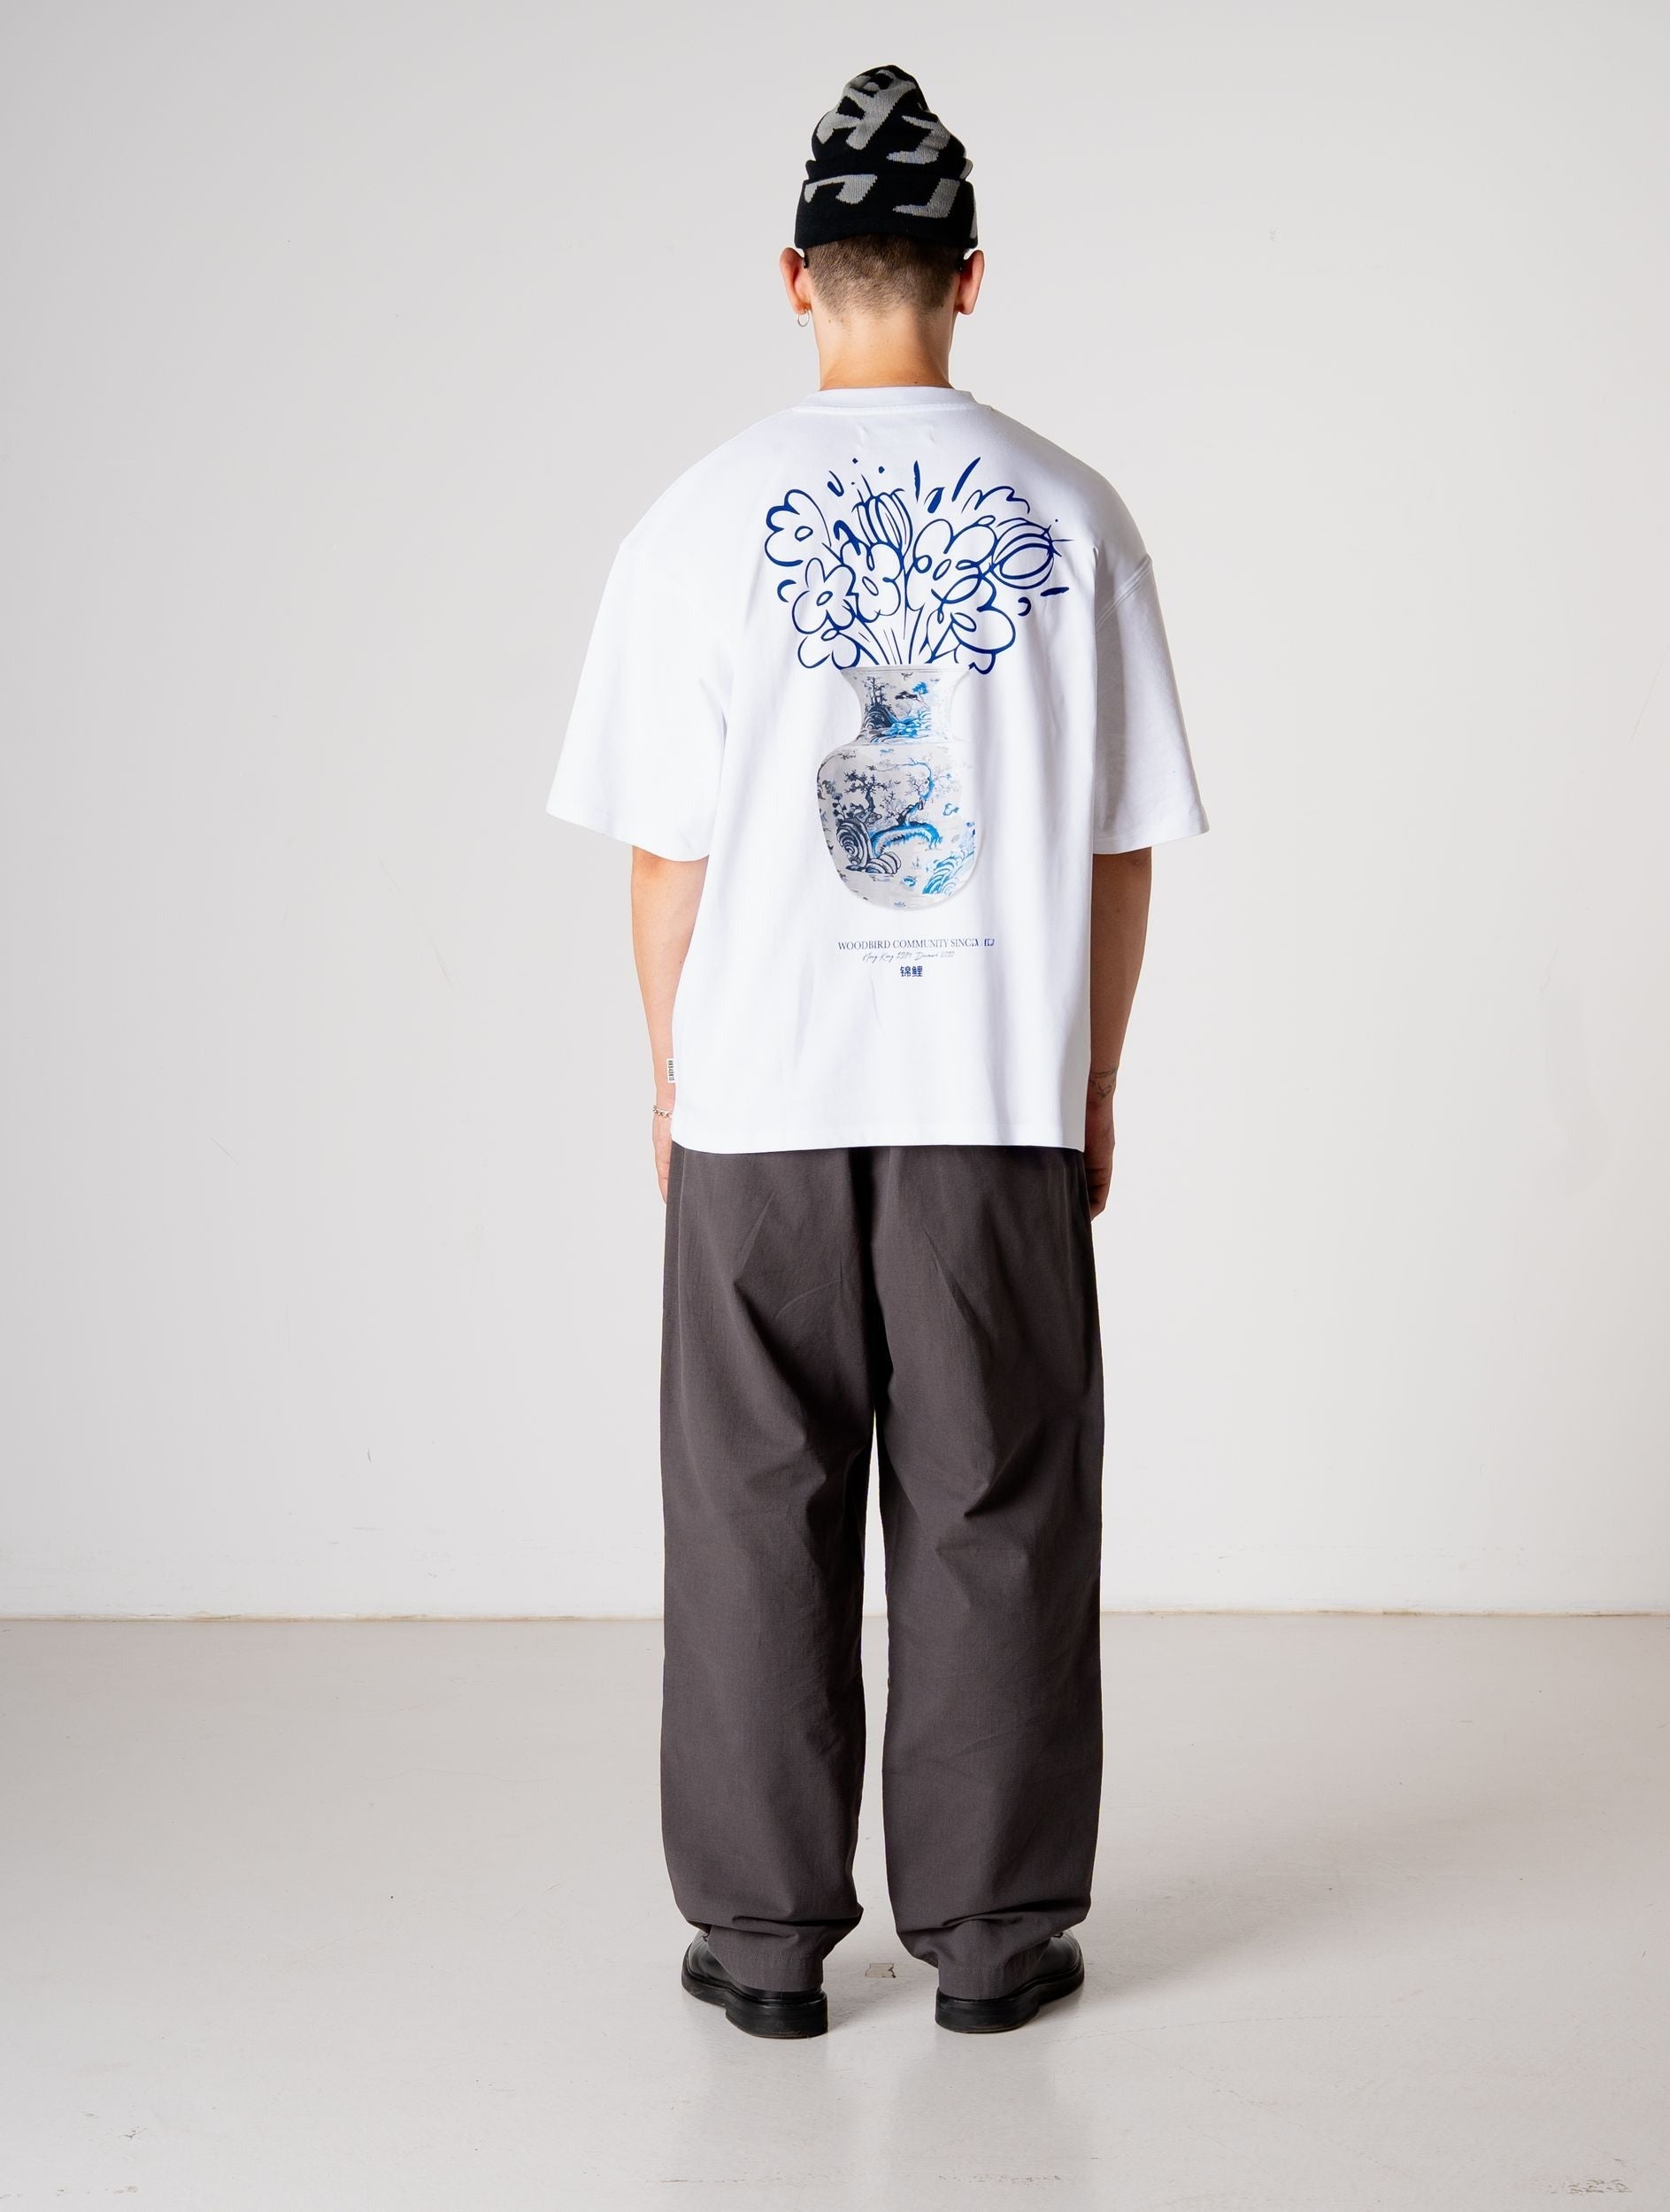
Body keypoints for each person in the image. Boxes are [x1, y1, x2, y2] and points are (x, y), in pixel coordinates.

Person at [548, 63, 1208, 2039]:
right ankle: (993, 1941)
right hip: (989, 1090)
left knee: (752, 1505)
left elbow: (666, 855)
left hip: (758, 1095)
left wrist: (674, 1073)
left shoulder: (692, 521)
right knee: (996, 1499)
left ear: (795, 275)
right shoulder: (1073, 514)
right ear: (971, 275)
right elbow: (1115, 849)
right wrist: (1089, 1079)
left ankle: (763, 1947)